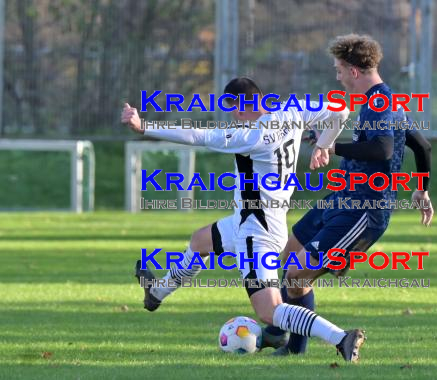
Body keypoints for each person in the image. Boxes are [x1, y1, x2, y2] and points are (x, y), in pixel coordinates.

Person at [121, 77, 367, 362]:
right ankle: (157, 293)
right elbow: (341, 110)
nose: (232, 113)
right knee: (200, 241)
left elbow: (197, 136)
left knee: (268, 310)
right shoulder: (292, 111)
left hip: (255, 231)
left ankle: (341, 338)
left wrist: (144, 127)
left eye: (233, 106)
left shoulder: (252, 136)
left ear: (241, 105)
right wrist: (324, 144)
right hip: (253, 219)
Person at [266, 34, 434, 356]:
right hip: (341, 199)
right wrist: (421, 189)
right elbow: (422, 146)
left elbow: (383, 150)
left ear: (354, 71)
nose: (338, 77)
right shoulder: (385, 102)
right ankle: (283, 338)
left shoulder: (378, 105)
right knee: (286, 257)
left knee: (295, 272)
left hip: (363, 212)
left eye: (339, 70)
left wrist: (329, 145)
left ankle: (303, 346)